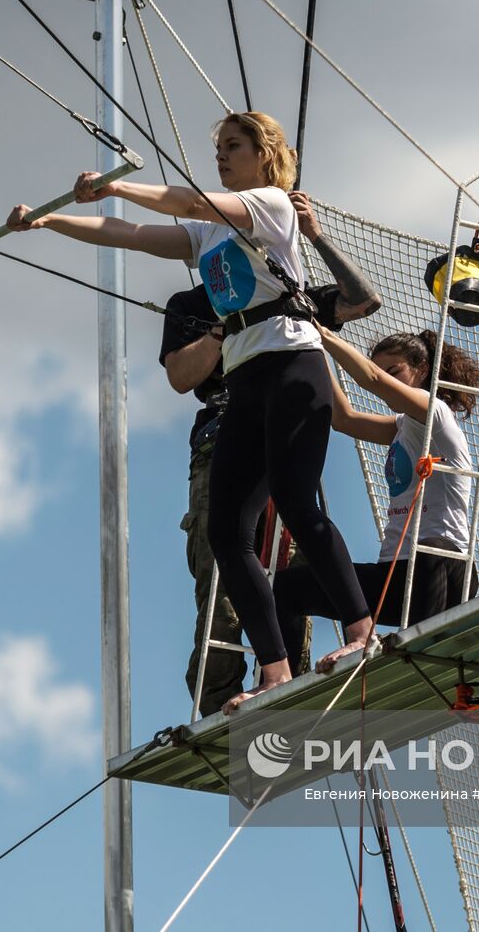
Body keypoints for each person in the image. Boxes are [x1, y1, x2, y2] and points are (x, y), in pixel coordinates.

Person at [8, 112, 380, 715]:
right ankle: (275, 669)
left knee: (297, 500)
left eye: (233, 146)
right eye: (219, 149)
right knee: (226, 532)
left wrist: (116, 183)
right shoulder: (208, 235)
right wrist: (52, 221)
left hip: (292, 366)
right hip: (245, 378)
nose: (222, 156)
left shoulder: (271, 205)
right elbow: (130, 237)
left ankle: (361, 634)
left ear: (264, 154)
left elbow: (188, 200)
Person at [159, 191, 368, 715]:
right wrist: (225, 326)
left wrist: (314, 234)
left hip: (284, 417)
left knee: (292, 555)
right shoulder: (190, 305)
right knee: (223, 556)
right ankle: (222, 697)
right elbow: (182, 378)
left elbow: (361, 298)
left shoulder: (282, 283)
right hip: (224, 431)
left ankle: (289, 673)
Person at [274, 327, 479, 674]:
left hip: (438, 567)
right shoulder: (402, 427)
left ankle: (447, 674)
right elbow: (344, 420)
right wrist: (311, 346)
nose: (387, 380)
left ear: (422, 369)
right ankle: (286, 678)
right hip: (398, 575)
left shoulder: (436, 414)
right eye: (384, 371)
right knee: (286, 588)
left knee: (429, 665)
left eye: (395, 372)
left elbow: (370, 379)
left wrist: (322, 332)